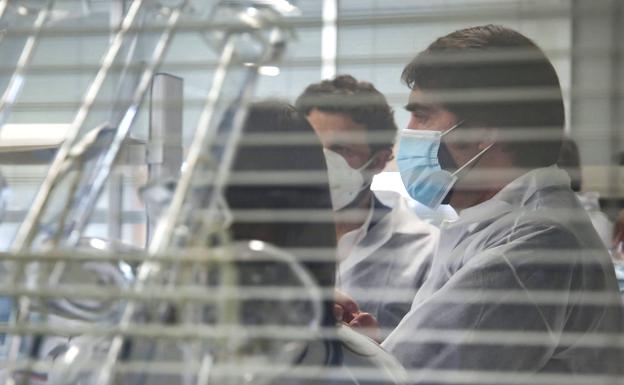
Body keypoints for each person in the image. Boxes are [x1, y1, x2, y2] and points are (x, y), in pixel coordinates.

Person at [380, 25, 624, 383]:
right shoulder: (507, 223)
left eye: (423, 115)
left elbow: (406, 377)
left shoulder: (527, 248)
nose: (410, 131)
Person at [295, 76, 438, 334]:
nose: (321, 161)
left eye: (341, 150)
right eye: (311, 146)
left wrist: (370, 352)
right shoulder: (266, 233)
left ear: (379, 161)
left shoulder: (426, 253)